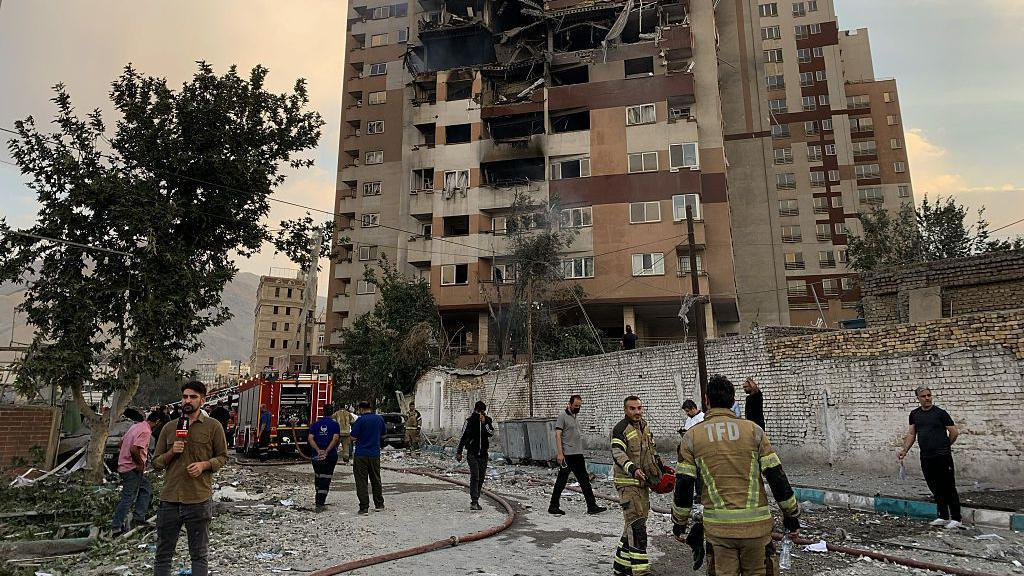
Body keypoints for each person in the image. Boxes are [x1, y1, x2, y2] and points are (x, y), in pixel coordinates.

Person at [673, 375, 800, 576]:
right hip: (756, 530)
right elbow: (776, 477)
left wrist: (679, 523)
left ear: (706, 400)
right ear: (733, 400)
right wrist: (791, 515)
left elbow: (684, 485)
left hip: (719, 532)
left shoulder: (691, 437)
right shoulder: (754, 431)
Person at [152, 381, 228, 576]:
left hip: (198, 499)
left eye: (193, 397)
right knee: (163, 555)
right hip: (170, 500)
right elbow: (156, 463)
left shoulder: (213, 427)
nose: (187, 400)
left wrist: (204, 465)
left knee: (199, 555)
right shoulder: (170, 427)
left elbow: (222, 457)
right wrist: (172, 452)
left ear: (202, 400)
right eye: (185, 397)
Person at [898, 386, 962, 529]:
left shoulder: (940, 413)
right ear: (918, 398)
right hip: (926, 456)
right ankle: (943, 516)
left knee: (948, 486)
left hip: (942, 456)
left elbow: (954, 432)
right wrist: (904, 450)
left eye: (929, 395)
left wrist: (945, 445)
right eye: (923, 396)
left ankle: (956, 518)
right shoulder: (914, 414)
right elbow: (912, 434)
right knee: (934, 486)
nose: (927, 398)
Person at [610, 396, 661, 576]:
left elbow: (651, 451)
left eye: (639, 408)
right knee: (637, 525)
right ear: (626, 410)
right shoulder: (620, 429)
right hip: (627, 483)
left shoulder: (645, 426)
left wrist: (660, 469)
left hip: (642, 484)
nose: (637, 412)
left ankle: (621, 567)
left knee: (632, 525)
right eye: (632, 408)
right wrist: (632, 469)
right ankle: (640, 571)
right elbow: (618, 453)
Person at [548, 395, 606, 516]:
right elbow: (557, 435)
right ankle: (553, 506)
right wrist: (560, 454)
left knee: (584, 481)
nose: (577, 408)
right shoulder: (562, 416)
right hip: (568, 455)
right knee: (561, 481)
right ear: (569, 404)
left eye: (579, 406)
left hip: (578, 454)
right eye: (575, 406)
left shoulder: (575, 416)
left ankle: (592, 506)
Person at [110, 411, 161, 535]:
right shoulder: (146, 431)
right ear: (158, 422)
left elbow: (120, 443)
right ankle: (116, 527)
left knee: (145, 488)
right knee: (128, 497)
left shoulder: (136, 426)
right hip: (131, 468)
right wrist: (139, 464)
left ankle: (139, 517)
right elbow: (134, 449)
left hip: (125, 465)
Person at [455, 400, 494, 511]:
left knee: (481, 477)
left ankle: (476, 498)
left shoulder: (487, 420)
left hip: (483, 454)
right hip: (472, 453)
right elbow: (463, 437)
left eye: (482, 412)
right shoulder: (470, 421)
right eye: (479, 411)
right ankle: (474, 501)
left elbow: (491, 433)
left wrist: (485, 423)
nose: (480, 413)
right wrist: (459, 451)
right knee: (475, 476)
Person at [350, 401, 386, 514]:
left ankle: (364, 507)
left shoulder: (360, 420)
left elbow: (353, 437)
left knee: (361, 481)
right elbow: (383, 434)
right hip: (374, 454)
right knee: (376, 479)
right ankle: (379, 504)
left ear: (361, 409)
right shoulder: (379, 419)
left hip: (361, 454)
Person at [307, 404, 341, 511]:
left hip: (316, 456)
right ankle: (320, 503)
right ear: (332, 412)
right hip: (330, 456)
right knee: (325, 478)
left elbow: (310, 438)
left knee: (318, 476)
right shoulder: (335, 425)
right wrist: (326, 451)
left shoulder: (315, 424)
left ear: (322, 412)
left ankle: (318, 499)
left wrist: (318, 450)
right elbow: (335, 439)